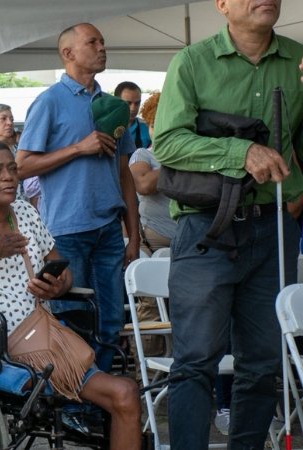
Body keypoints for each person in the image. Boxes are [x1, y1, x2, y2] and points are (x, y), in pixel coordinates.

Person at [152, 1, 303, 447]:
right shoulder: (192, 61)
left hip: (272, 226)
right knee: (195, 361)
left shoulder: (298, 61)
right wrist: (242, 154)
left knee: (263, 363)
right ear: (221, 4)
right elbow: (168, 143)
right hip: (205, 229)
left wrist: (297, 192)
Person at [0, 140, 141, 449]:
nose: (9, 177)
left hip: (45, 338)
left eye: (12, 169)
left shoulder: (25, 213)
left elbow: (60, 269)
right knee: (111, 390)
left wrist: (59, 285)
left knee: (126, 393)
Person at [15, 23, 139, 372]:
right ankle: (73, 402)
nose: (102, 47)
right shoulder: (49, 102)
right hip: (66, 231)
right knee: (73, 321)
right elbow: (21, 166)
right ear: (68, 54)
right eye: (92, 42)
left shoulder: (113, 105)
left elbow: (124, 172)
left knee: (111, 321)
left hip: (109, 230)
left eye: (103, 41)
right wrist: (78, 148)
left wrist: (135, 232)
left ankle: (92, 403)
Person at [127, 92, 174, 255]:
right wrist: (178, 161)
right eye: (153, 125)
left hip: (191, 239)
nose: (157, 131)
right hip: (154, 242)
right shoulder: (143, 154)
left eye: (164, 125)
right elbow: (143, 185)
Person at [115, 81, 151, 150]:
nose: (133, 108)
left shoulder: (147, 127)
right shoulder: (105, 127)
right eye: (128, 103)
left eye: (137, 103)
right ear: (116, 102)